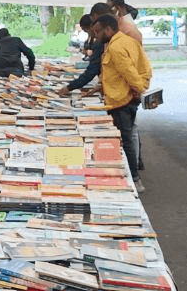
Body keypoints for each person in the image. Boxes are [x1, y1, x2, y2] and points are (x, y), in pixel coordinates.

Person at [96, 14, 152, 192]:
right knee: (127, 138)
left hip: (121, 101)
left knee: (125, 140)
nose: (96, 36)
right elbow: (145, 68)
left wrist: (139, 89)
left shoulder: (117, 47)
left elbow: (129, 72)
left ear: (108, 29)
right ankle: (133, 177)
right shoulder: (128, 42)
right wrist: (141, 88)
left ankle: (134, 179)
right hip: (126, 97)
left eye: (98, 32)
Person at [58, 15, 103, 97]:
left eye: (87, 30)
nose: (94, 34)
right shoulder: (95, 39)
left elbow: (92, 70)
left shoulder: (101, 43)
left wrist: (70, 87)